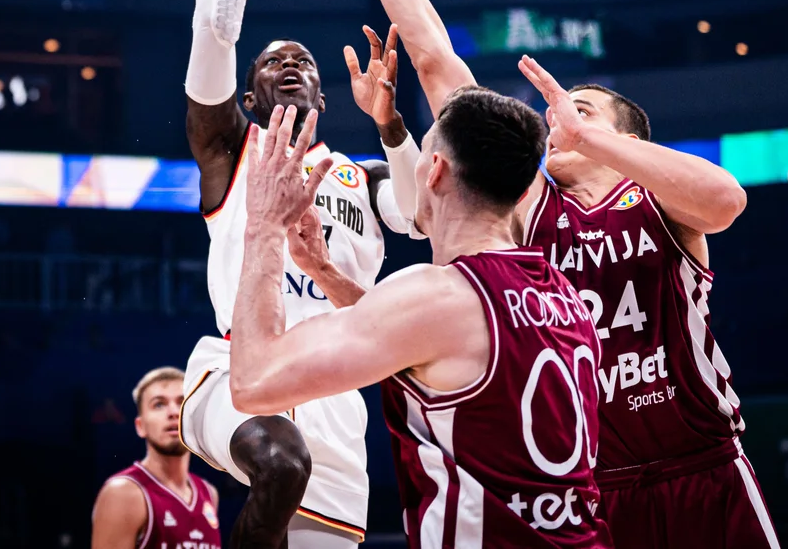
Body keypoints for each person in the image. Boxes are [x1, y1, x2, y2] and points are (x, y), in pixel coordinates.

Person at [343, 0, 779, 549]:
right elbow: (431, 55)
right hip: (595, 489)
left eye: (583, 106)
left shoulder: (657, 201)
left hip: (704, 468)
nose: (560, 119)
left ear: (625, 137)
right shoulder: (525, 205)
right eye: (561, 111)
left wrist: (591, 135)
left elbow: (727, 201)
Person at [179, 0, 423, 549]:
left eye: (303, 62)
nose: (288, 64)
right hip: (237, 362)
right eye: (271, 63)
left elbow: (421, 215)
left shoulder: (363, 177)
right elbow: (215, 28)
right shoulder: (229, 150)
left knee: (307, 501)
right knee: (281, 463)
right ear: (250, 96)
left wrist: (392, 126)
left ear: (324, 94)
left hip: (334, 387)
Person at [229, 97, 613, 548]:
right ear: (525, 190)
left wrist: (264, 225)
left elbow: (253, 381)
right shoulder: (563, 292)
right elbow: (423, 345)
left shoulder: (437, 295)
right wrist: (324, 271)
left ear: (434, 170)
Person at [91, 367, 221, 549]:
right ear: (140, 426)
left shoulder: (209, 493)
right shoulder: (123, 493)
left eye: (182, 402)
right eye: (159, 404)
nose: (173, 412)